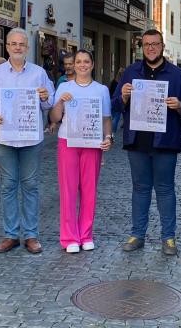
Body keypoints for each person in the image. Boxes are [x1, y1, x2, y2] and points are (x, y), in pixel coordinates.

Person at [113, 29, 181, 256]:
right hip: (137, 141)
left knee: (166, 190)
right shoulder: (131, 72)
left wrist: (180, 106)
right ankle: (137, 234)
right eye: (146, 44)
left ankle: (168, 238)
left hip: (165, 142)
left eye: (155, 44)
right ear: (141, 47)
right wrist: (124, 97)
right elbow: (115, 104)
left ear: (162, 46)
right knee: (140, 189)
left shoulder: (176, 75)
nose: (150, 48)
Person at [0, 28, 54, 255]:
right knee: (8, 185)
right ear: (7, 47)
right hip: (4, 137)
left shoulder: (39, 73)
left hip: (31, 138)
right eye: (13, 44)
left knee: (30, 185)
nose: (17, 47)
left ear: (27, 48)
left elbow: (48, 103)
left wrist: (45, 98)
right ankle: (11, 234)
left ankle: (31, 235)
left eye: (21, 44)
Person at [48, 50, 113, 253]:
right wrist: (60, 103)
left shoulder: (101, 90)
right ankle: (69, 238)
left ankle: (86, 234)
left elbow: (106, 119)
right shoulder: (64, 87)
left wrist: (108, 138)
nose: (82, 65)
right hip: (68, 141)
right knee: (68, 190)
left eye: (86, 61)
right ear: (73, 65)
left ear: (92, 65)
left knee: (89, 190)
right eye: (78, 62)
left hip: (92, 143)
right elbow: (55, 118)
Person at [109, 66, 126, 131]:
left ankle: (110, 130)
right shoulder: (124, 83)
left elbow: (110, 90)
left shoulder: (114, 81)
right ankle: (113, 130)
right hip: (119, 101)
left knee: (112, 117)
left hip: (112, 100)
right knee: (116, 118)